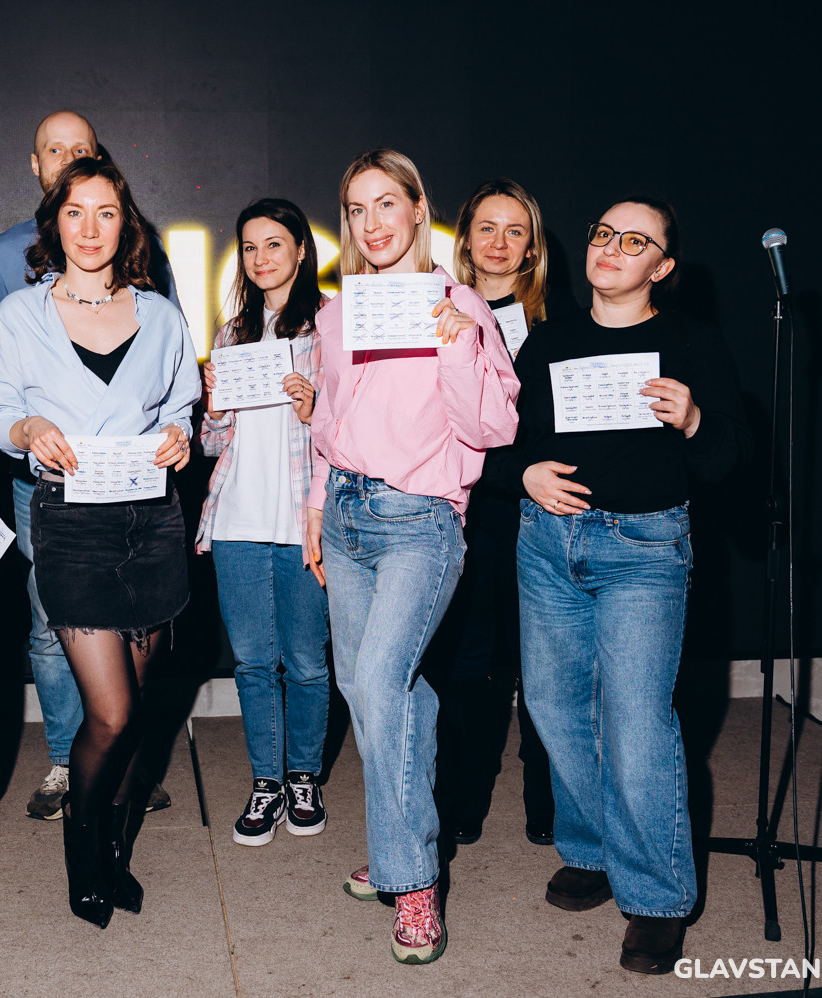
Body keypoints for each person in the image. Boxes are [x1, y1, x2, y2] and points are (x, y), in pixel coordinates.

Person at [501, 198, 749, 973]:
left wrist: (696, 419)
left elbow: (728, 461)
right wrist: (524, 472)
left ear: (662, 267)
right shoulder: (550, 340)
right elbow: (499, 435)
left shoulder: (691, 342)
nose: (611, 247)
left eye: (634, 240)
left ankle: (657, 897)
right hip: (548, 543)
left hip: (643, 549)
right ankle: (592, 849)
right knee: (554, 705)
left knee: (637, 722)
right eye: (604, 233)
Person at [307, 149, 520, 964]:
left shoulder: (461, 304)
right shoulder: (337, 314)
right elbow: (328, 425)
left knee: (378, 682)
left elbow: (492, 429)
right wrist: (315, 510)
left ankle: (414, 880)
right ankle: (401, 841)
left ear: (418, 208)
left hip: (420, 521)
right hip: (347, 516)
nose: (372, 222)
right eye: (357, 209)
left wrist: (460, 345)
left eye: (386, 203)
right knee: (384, 694)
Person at [0, 157, 200, 928]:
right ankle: (84, 844)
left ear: (124, 223)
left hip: (150, 522)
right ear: (54, 223)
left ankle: (113, 850)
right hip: (71, 524)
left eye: (106, 212)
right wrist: (27, 427)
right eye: (75, 212)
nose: (90, 228)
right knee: (110, 714)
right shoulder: (21, 316)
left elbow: (181, 404)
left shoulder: (160, 316)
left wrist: (179, 434)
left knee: (136, 714)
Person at [195, 198, 329, 847]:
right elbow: (212, 444)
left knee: (306, 662)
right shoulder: (233, 333)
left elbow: (354, 433)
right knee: (252, 663)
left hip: (304, 520)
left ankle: (303, 777)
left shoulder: (331, 327)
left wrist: (315, 410)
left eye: (274, 243)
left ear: (301, 250)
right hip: (237, 520)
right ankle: (267, 783)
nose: (260, 258)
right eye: (250, 247)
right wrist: (215, 406)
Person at [435, 179, 555, 847]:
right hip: (467, 510)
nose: (500, 243)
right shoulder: (436, 310)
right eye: (487, 227)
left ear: (532, 247)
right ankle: (461, 797)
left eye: (515, 231)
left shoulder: (559, 324)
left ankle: (548, 797)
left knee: (543, 662)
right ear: (466, 239)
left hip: (540, 512)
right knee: (468, 663)